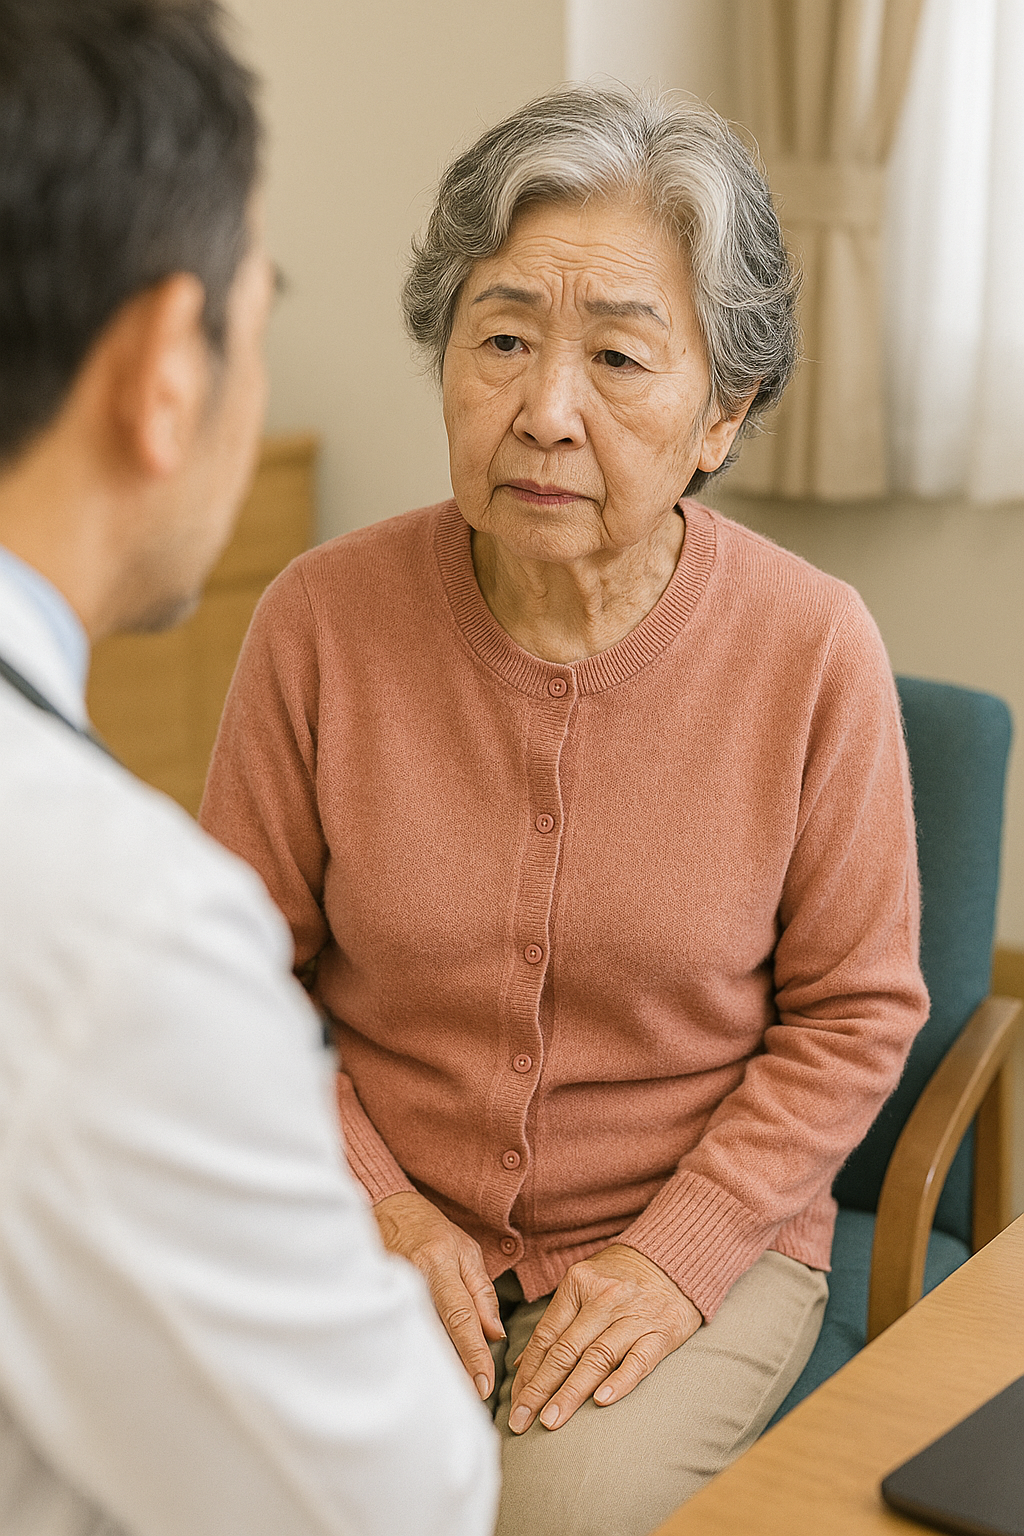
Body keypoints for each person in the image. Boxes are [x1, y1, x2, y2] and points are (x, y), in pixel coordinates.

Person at [201, 86, 929, 1536]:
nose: (545, 409)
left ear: (723, 410)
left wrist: (679, 1255)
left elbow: (857, 1012)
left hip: (690, 1232)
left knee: (551, 1517)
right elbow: (229, 978)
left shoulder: (812, 650)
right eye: (505, 339)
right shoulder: (320, 623)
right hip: (369, 1213)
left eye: (616, 356)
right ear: (449, 360)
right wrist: (379, 1206)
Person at [0, 4, 498, 1534]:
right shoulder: (114, 932)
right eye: (260, 305)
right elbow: (395, 1503)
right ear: (167, 367)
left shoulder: (807, 644)